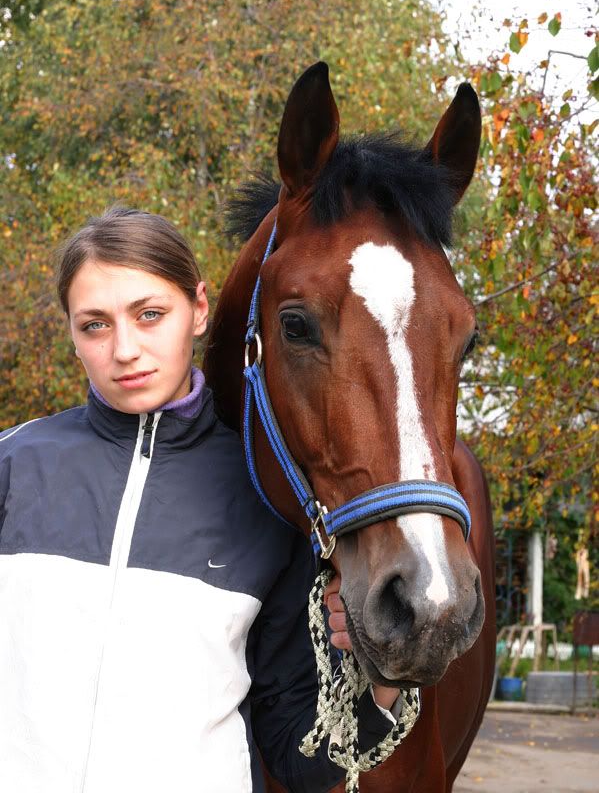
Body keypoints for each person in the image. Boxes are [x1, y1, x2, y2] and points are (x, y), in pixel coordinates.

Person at [0, 206, 400, 793]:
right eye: (95, 325)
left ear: (199, 309)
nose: (125, 349)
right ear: (72, 334)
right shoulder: (13, 464)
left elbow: (299, 755)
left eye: (150, 314)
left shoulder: (267, 494)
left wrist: (384, 677)